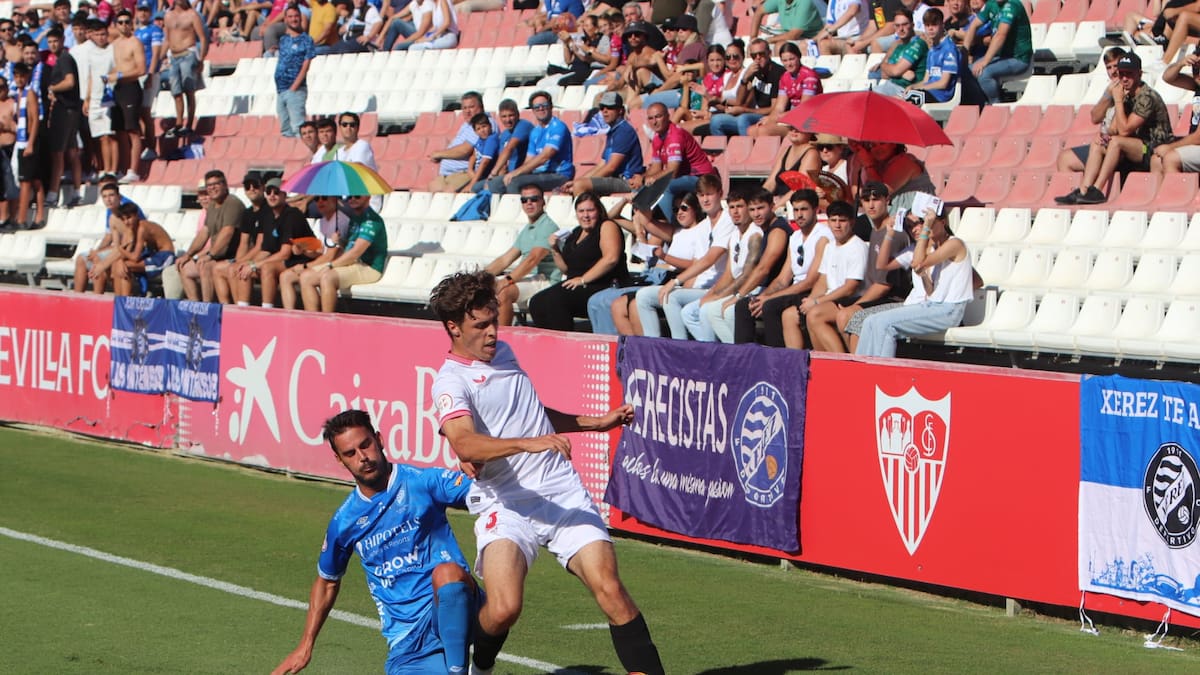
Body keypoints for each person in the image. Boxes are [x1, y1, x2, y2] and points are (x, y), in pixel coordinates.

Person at [428, 271, 664, 675]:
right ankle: (479, 666)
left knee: (610, 589)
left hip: (560, 491)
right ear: (454, 327)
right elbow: (464, 442)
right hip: (505, 502)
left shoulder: (503, 353)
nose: (492, 332)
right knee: (504, 608)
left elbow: (534, 415)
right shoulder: (450, 382)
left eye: (494, 321)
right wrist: (527, 443)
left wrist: (594, 423)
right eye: (480, 326)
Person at [271, 410, 477, 675]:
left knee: (447, 574)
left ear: (379, 440)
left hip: (456, 606)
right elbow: (327, 582)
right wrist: (305, 645)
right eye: (350, 453)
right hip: (407, 642)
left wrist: (481, 468)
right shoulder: (344, 521)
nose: (362, 457)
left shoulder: (422, 482)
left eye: (365, 445)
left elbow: (485, 493)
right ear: (339, 459)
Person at [1054, 53, 1173, 206]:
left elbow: (1124, 131)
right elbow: (1113, 128)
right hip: (1133, 146)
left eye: (1129, 74)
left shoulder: (1146, 96)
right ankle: (1084, 190)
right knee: (1098, 142)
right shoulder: (1125, 94)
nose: (1125, 79)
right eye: (1122, 74)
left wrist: (1117, 100)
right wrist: (1104, 136)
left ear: (1139, 74)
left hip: (1152, 148)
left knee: (1116, 142)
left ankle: (1097, 189)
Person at [856, 207, 975, 357]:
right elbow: (931, 291)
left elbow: (918, 261)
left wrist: (926, 227)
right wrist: (924, 275)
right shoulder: (935, 248)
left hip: (949, 310)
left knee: (884, 325)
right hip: (931, 305)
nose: (925, 227)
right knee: (870, 321)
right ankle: (862, 368)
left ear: (943, 222)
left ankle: (881, 371)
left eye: (928, 223)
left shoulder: (955, 243)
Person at [632, 173, 733, 339]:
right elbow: (697, 263)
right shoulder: (704, 226)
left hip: (716, 286)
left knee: (670, 297)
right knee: (643, 296)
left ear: (720, 194)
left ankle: (679, 345)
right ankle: (653, 345)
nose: (705, 199)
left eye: (709, 194)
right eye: (701, 195)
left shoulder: (727, 219)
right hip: (699, 285)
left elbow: (710, 259)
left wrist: (675, 281)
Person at [528, 191, 628, 331]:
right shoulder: (575, 232)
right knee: (536, 302)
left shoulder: (607, 226)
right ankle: (550, 340)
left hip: (603, 284)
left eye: (590, 210)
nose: (585, 215)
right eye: (581, 211)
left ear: (599, 211)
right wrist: (555, 249)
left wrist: (583, 279)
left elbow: (611, 258)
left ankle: (565, 340)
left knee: (556, 299)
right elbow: (566, 269)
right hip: (577, 284)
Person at [746, 189, 833, 347]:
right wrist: (761, 297)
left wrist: (769, 298)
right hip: (795, 289)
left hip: (812, 292)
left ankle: (777, 357)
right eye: (796, 210)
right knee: (746, 305)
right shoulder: (795, 237)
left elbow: (810, 281)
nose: (799, 215)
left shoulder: (823, 236)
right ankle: (743, 354)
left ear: (816, 210)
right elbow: (783, 279)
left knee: (770, 306)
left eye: (804, 209)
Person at [835, 182, 912, 353]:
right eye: (866, 200)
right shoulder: (875, 229)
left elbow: (884, 285)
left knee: (847, 316)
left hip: (894, 298)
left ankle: (858, 363)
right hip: (873, 294)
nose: (870, 205)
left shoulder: (894, 234)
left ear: (887, 200)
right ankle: (841, 362)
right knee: (817, 314)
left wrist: (856, 304)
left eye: (875, 199)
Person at [681, 186, 762, 342]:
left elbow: (747, 275)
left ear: (748, 208)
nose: (735, 212)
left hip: (751, 288)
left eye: (740, 206)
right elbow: (729, 274)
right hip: (735, 288)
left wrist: (720, 296)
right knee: (688, 312)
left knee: (710, 310)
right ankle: (713, 350)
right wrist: (711, 295)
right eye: (732, 207)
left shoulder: (755, 234)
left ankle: (734, 351)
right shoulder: (735, 235)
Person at [484, 183, 560, 326]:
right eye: (524, 200)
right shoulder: (527, 229)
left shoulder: (548, 226)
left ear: (543, 201)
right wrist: (480, 277)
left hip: (545, 280)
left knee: (504, 291)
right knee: (478, 288)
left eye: (534, 199)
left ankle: (502, 335)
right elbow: (505, 259)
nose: (529, 203)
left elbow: (533, 259)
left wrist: (507, 280)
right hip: (529, 277)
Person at [297, 192, 388, 312]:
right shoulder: (355, 218)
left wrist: (331, 265)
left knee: (327, 277)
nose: (352, 199)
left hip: (369, 267)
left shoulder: (372, 221)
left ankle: (327, 320)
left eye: (357, 196)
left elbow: (355, 253)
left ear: (368, 197)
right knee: (306, 276)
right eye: (350, 196)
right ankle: (313, 319)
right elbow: (350, 246)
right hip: (354, 263)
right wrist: (340, 241)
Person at [802, 199, 868, 351]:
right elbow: (823, 280)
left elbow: (850, 287)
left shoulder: (857, 247)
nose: (837, 225)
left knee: (815, 314)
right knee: (792, 314)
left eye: (842, 221)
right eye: (833, 220)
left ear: (851, 222)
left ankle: (839, 359)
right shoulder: (829, 246)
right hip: (832, 297)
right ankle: (818, 360)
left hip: (852, 299)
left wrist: (817, 302)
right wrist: (811, 299)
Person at [178, 169, 245, 302]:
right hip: (217, 256)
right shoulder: (212, 206)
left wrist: (210, 255)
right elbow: (204, 232)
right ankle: (194, 305)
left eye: (216, 184)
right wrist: (188, 254)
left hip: (231, 256)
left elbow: (227, 233)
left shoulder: (232, 203)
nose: (212, 188)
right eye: (209, 185)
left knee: (205, 265)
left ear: (225, 185)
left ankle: (207, 306)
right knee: (184, 266)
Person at [489, 90, 574, 194]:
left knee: (514, 182)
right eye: (537, 107)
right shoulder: (535, 131)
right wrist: (516, 173)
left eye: (544, 105)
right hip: (539, 173)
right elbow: (529, 160)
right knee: (495, 183)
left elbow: (545, 156)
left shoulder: (558, 127)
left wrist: (516, 173)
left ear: (551, 107)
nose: (541, 108)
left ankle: (520, 204)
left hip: (558, 174)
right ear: (533, 110)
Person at [1056, 48, 1126, 174]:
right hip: (1106, 142)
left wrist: (1103, 135)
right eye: (1109, 68)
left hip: (1122, 146)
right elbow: (1095, 117)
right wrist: (1107, 94)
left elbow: (1117, 129)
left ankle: (1089, 186)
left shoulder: (1128, 88)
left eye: (1116, 66)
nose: (1113, 71)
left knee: (1096, 147)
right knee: (1065, 159)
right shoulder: (1111, 89)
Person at [643, 101, 716, 217]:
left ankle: (673, 224)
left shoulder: (674, 135)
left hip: (701, 177)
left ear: (668, 116)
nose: (654, 121)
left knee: (665, 187)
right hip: (685, 177)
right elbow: (656, 167)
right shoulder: (657, 137)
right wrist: (641, 179)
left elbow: (672, 172)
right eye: (651, 118)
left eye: (658, 116)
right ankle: (647, 222)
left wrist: (652, 179)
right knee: (640, 190)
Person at [564, 92, 644, 196]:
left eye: (610, 107)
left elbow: (611, 167)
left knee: (580, 186)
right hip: (614, 178)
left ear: (620, 110)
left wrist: (583, 183)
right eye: (602, 108)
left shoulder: (624, 131)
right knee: (575, 185)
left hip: (627, 180)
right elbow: (602, 164)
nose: (605, 111)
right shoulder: (613, 131)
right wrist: (578, 181)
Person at [280, 194, 348, 310]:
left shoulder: (340, 221)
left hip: (335, 264)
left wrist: (306, 266)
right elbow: (319, 251)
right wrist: (303, 250)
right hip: (323, 263)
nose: (320, 201)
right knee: (285, 276)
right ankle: (289, 315)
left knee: (306, 276)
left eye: (324, 198)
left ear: (334, 199)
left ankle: (312, 316)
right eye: (317, 199)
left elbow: (330, 256)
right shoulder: (321, 221)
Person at [708, 38, 783, 136]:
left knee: (743, 119)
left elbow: (774, 109)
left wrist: (744, 110)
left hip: (767, 115)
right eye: (754, 55)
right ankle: (723, 147)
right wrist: (745, 79)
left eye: (761, 54)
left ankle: (748, 146)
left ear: (769, 53)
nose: (758, 58)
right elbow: (739, 101)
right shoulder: (754, 70)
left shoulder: (777, 73)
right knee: (716, 121)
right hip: (753, 114)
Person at [43, 28, 83, 210]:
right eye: (50, 42)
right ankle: (76, 192)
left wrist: (52, 88)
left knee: (58, 152)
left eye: (55, 41)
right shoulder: (62, 59)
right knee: (71, 152)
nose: (53, 45)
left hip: (66, 110)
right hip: (70, 109)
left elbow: (70, 82)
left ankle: (52, 194)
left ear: (62, 40)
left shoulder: (65, 59)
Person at [747, 42, 821, 137]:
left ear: (799, 57)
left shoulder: (809, 76)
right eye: (785, 60)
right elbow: (779, 107)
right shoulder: (785, 77)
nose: (788, 64)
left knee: (764, 131)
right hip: (792, 118)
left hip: (809, 118)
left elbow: (804, 107)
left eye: (791, 59)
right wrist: (770, 119)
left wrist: (778, 118)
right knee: (752, 130)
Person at [963, 0, 1031, 104]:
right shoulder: (991, 4)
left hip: (1018, 59)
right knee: (967, 70)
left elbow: (1000, 35)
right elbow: (973, 26)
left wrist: (985, 61)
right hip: (1001, 57)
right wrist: (964, 53)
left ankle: (995, 105)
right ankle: (980, 104)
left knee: (984, 73)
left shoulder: (1012, 5)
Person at [75, 19, 117, 182]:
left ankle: (111, 169)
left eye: (103, 34)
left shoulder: (112, 50)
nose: (100, 37)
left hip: (109, 97)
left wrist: (111, 79)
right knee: (99, 137)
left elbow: (117, 70)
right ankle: (102, 169)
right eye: (97, 34)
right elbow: (91, 77)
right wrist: (87, 99)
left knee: (109, 136)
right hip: (94, 99)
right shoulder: (90, 53)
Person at [109, 202, 176, 296]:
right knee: (119, 266)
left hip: (165, 256)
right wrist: (120, 260)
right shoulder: (133, 228)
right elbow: (129, 250)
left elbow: (135, 257)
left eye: (129, 218)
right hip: (155, 254)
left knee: (126, 266)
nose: (126, 222)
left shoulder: (142, 228)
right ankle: (118, 299)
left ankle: (124, 300)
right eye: (123, 219)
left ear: (136, 215)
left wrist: (120, 249)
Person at [110, 10, 147, 183]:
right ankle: (124, 168)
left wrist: (119, 76)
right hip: (117, 88)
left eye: (127, 22)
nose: (124, 25)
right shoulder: (114, 44)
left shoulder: (135, 43)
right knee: (120, 131)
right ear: (116, 25)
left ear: (131, 24)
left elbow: (141, 69)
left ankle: (134, 169)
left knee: (132, 130)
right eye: (121, 22)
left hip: (130, 87)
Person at [163, 0, 207, 138]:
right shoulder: (168, 15)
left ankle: (189, 124)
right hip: (173, 55)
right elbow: (167, 39)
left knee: (189, 90)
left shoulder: (192, 14)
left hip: (188, 53)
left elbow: (202, 37)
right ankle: (179, 123)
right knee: (176, 91)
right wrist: (161, 57)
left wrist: (201, 59)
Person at [429, 92, 490, 190]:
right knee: (430, 191)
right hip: (446, 175)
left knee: (446, 195)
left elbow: (465, 150)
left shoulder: (484, 125)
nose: (467, 111)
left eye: (471, 107)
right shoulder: (466, 125)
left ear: (481, 107)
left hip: (463, 173)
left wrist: (439, 154)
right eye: (464, 108)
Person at [1153, 49, 1200, 175]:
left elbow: (1198, 137)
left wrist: (1170, 147)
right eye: (1196, 68)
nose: (1198, 73)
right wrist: (1180, 63)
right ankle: (1162, 190)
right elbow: (1168, 77)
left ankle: (1176, 189)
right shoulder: (1197, 85)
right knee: (1156, 160)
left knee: (1171, 158)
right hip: (1196, 146)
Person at [275, 6, 314, 139]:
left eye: (296, 16)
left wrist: (294, 87)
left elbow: (306, 66)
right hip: (281, 90)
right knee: (285, 130)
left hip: (295, 89)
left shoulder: (306, 40)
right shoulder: (283, 39)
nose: (293, 19)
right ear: (286, 19)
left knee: (299, 128)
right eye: (290, 17)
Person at [868, 8, 927, 98]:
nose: (901, 29)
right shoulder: (897, 44)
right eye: (897, 26)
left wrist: (889, 68)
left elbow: (895, 71)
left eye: (905, 24)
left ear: (912, 25)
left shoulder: (917, 44)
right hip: (889, 86)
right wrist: (902, 73)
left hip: (903, 91)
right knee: (862, 90)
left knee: (866, 97)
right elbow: (884, 73)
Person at [433, 113, 497, 193]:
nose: (482, 130)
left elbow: (485, 162)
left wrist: (472, 183)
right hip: (476, 175)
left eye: (484, 126)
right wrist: (470, 169)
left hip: (485, 177)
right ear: (475, 132)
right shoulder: (481, 140)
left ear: (490, 126)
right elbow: (474, 154)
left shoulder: (491, 140)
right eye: (478, 129)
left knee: (457, 193)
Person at [10, 63, 40, 230]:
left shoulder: (30, 94)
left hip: (27, 141)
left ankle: (21, 219)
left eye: (22, 76)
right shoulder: (17, 95)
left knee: (26, 182)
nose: (19, 79)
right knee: (24, 180)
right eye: (16, 76)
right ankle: (19, 216)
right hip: (19, 141)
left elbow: (34, 120)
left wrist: (31, 143)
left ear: (27, 77)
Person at [134, 1, 164, 162]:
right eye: (140, 10)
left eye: (146, 10)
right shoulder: (136, 32)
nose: (143, 13)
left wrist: (150, 74)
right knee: (138, 112)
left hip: (148, 74)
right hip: (136, 74)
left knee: (145, 111)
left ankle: (151, 147)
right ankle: (143, 146)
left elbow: (156, 53)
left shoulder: (155, 30)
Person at [763, 124, 822, 205]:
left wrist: (776, 206)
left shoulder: (811, 153)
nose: (794, 130)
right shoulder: (786, 150)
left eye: (799, 128)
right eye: (791, 127)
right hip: (777, 202)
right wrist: (761, 200)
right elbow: (770, 183)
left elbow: (800, 187)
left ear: (810, 132)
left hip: (795, 205)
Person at [482, 98, 532, 191]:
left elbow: (510, 148)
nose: (508, 120)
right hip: (508, 175)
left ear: (517, 114)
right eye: (504, 116)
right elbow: (503, 159)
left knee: (500, 185)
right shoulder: (504, 134)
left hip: (523, 173)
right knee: (477, 187)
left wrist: (493, 174)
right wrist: (497, 176)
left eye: (511, 115)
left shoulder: (523, 125)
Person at [750, 0, 824, 48]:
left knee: (780, 46)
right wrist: (753, 38)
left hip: (810, 39)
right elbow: (759, 12)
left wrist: (768, 40)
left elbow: (794, 34)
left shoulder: (804, 3)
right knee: (754, 47)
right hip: (790, 36)